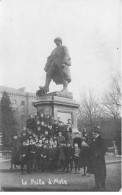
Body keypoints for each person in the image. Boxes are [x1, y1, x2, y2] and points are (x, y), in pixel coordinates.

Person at [89, 126, 107, 191]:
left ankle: (102, 187)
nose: (93, 134)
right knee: (96, 173)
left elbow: (105, 149)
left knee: (101, 174)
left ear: (97, 133)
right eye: (92, 133)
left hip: (100, 160)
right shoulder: (93, 140)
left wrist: (98, 154)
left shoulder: (102, 140)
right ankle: (97, 186)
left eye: (94, 133)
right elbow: (91, 149)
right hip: (94, 160)